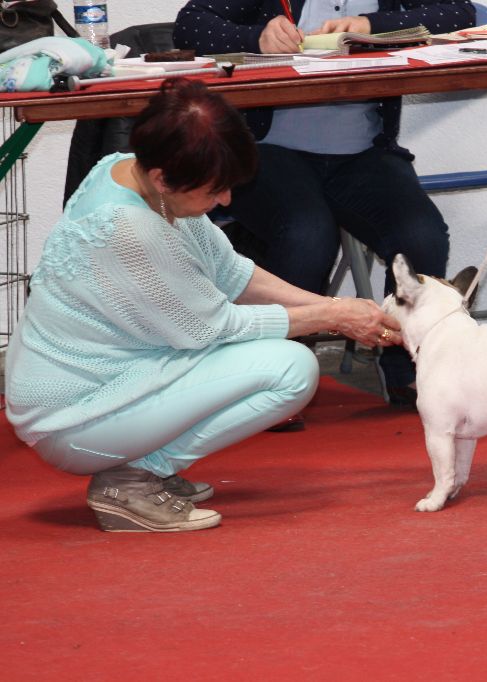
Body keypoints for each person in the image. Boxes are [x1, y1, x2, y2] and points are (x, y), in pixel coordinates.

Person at [3, 79, 404, 533]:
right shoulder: (130, 229)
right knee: (291, 370)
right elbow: (216, 327)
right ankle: (131, 481)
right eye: (214, 190)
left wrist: (339, 306)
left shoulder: (122, 170)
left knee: (281, 359)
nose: (227, 200)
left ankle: (138, 469)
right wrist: (335, 316)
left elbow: (233, 272)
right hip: (73, 421)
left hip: (90, 389)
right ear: (162, 179)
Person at [173, 0, 476, 409]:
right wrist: (255, 38)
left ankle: (410, 371)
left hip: (364, 153)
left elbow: (459, 14)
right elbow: (190, 25)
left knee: (421, 235)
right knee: (306, 234)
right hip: (269, 152)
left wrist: (374, 25)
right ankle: (276, 375)